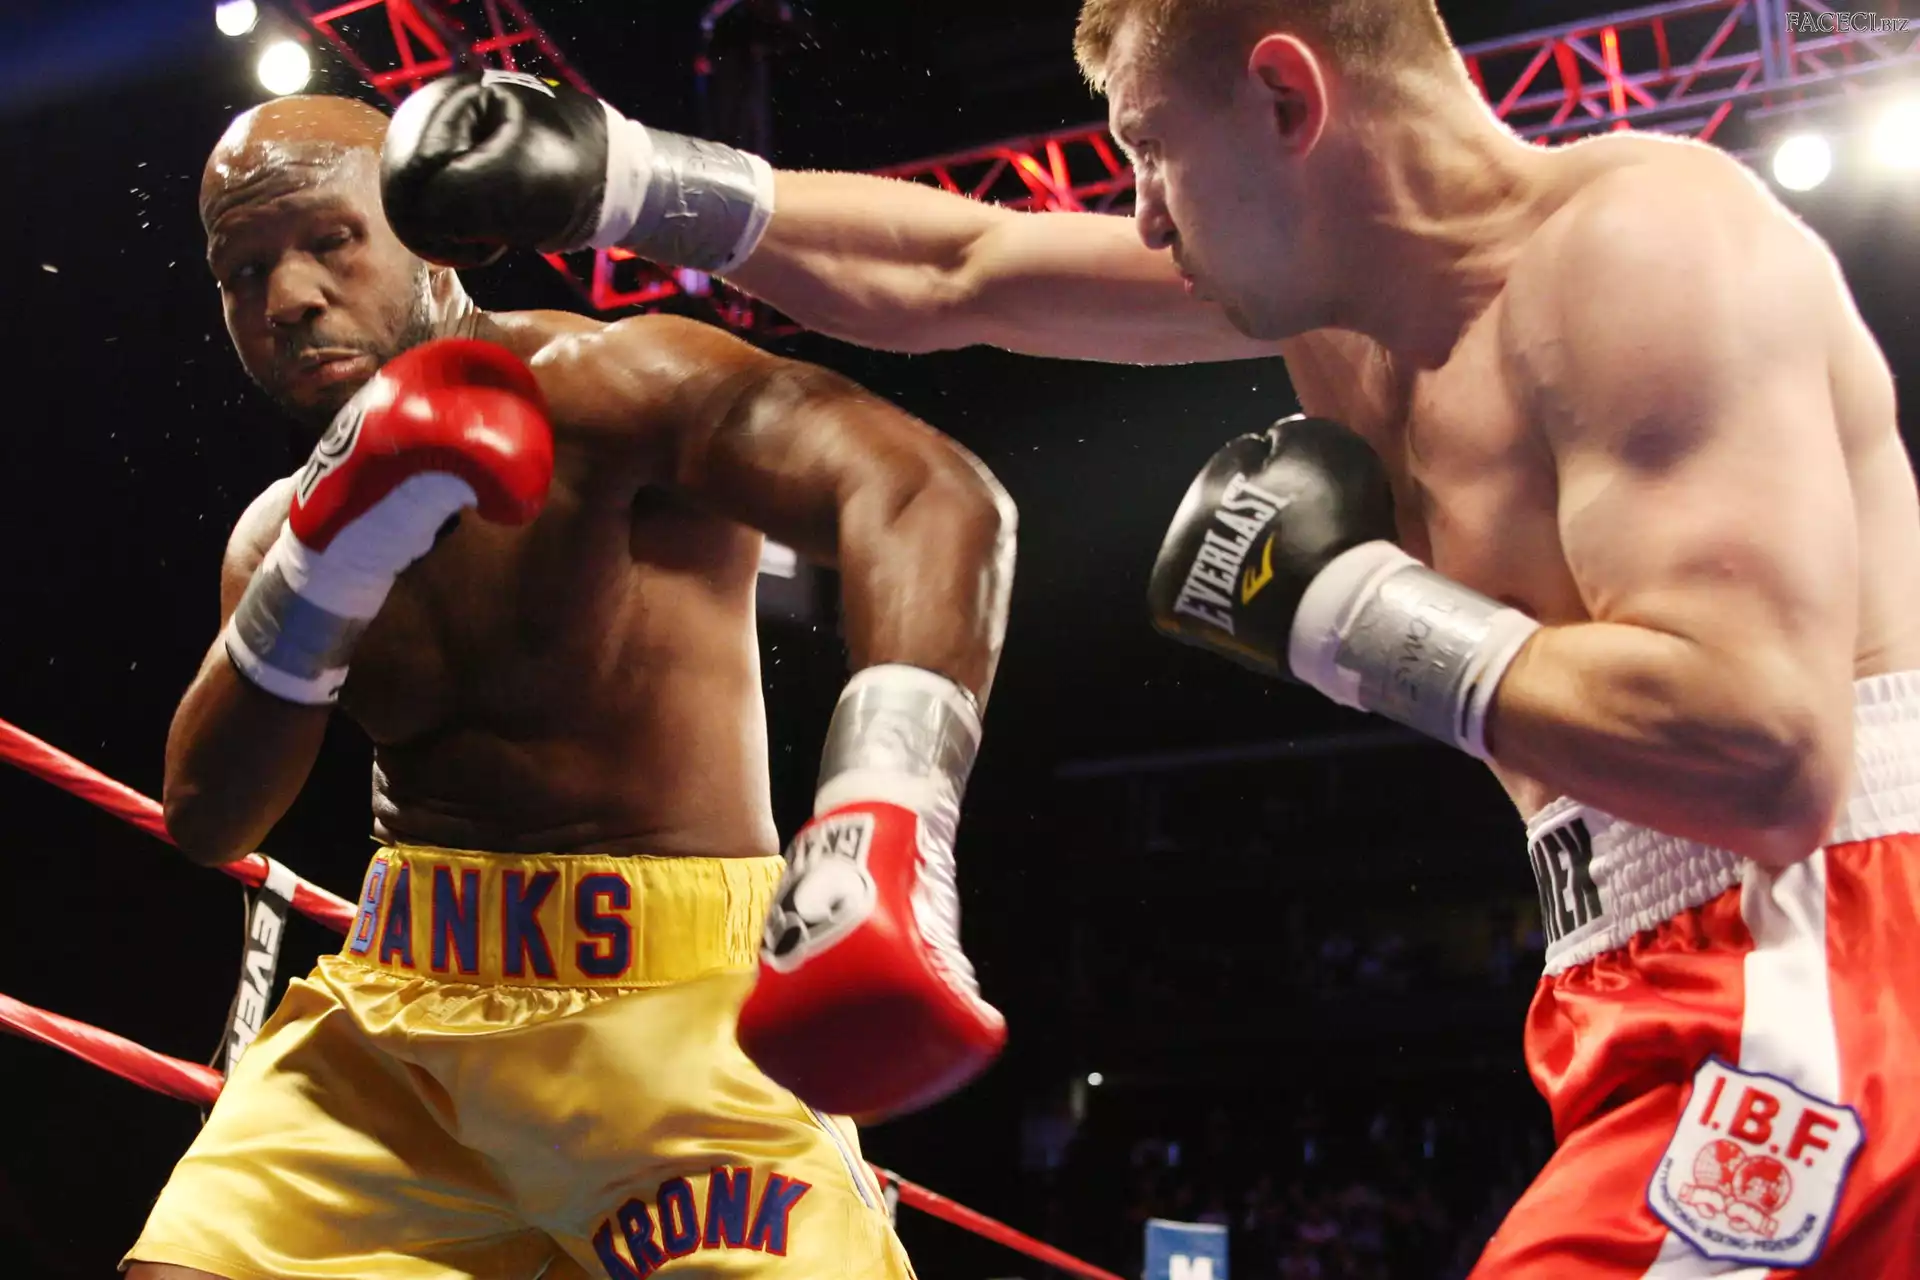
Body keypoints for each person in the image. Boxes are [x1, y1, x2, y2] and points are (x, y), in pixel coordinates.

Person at [378, 0, 1920, 1272]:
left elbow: (1769, 756)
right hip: (1650, 966)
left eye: (1149, 148)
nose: (1143, 210)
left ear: (1286, 96)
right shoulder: (1342, 310)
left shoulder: (1640, 248)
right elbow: (958, 269)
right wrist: (626, 176)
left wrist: (1344, 608)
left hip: (1828, 941)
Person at [125, 92, 1017, 1280]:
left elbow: (923, 492)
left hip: (678, 1011)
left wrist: (885, 815)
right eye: (243, 273)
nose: (287, 296)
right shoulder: (275, 537)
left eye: (330, 239)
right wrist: (323, 564)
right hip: (401, 1016)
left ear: (427, 238)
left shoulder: (616, 385)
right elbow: (207, 819)